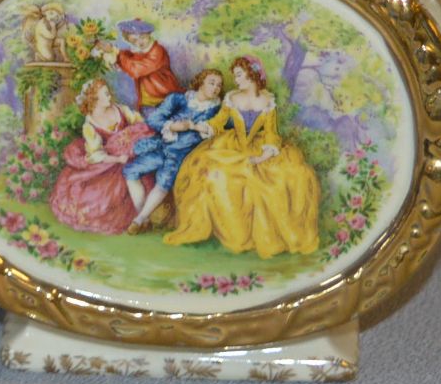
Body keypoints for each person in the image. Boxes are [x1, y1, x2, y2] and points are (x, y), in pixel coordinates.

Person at [164, 55, 320, 257]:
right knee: (213, 174)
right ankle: (233, 232)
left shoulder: (267, 101)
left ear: (251, 74)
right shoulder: (231, 98)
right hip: (232, 146)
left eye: (239, 75)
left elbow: (272, 133)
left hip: (261, 148)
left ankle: (265, 236)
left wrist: (263, 157)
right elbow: (218, 122)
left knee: (288, 177)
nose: (235, 79)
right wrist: (196, 126)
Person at [121, 70, 224, 233]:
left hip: (181, 155)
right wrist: (173, 126)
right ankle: (144, 217)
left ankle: (139, 220)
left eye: (219, 85)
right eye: (212, 83)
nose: (216, 88)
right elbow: (153, 119)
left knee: (164, 181)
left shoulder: (217, 111)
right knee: (130, 171)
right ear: (201, 82)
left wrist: (199, 128)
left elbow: (222, 129)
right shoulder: (178, 99)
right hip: (161, 146)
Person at [46, 79, 153, 235]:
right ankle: (140, 220)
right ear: (94, 99)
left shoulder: (120, 110)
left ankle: (144, 218)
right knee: (102, 199)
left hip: (132, 155)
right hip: (109, 163)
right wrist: (117, 159)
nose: (109, 96)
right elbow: (97, 153)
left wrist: (133, 141)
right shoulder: (90, 125)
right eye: (105, 94)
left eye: (108, 93)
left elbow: (140, 125)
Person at [104, 20, 181, 111]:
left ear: (148, 34)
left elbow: (136, 69)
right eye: (134, 40)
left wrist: (118, 54)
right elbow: (127, 58)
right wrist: (113, 52)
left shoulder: (157, 51)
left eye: (142, 37)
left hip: (165, 99)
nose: (139, 42)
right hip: (147, 104)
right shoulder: (138, 53)